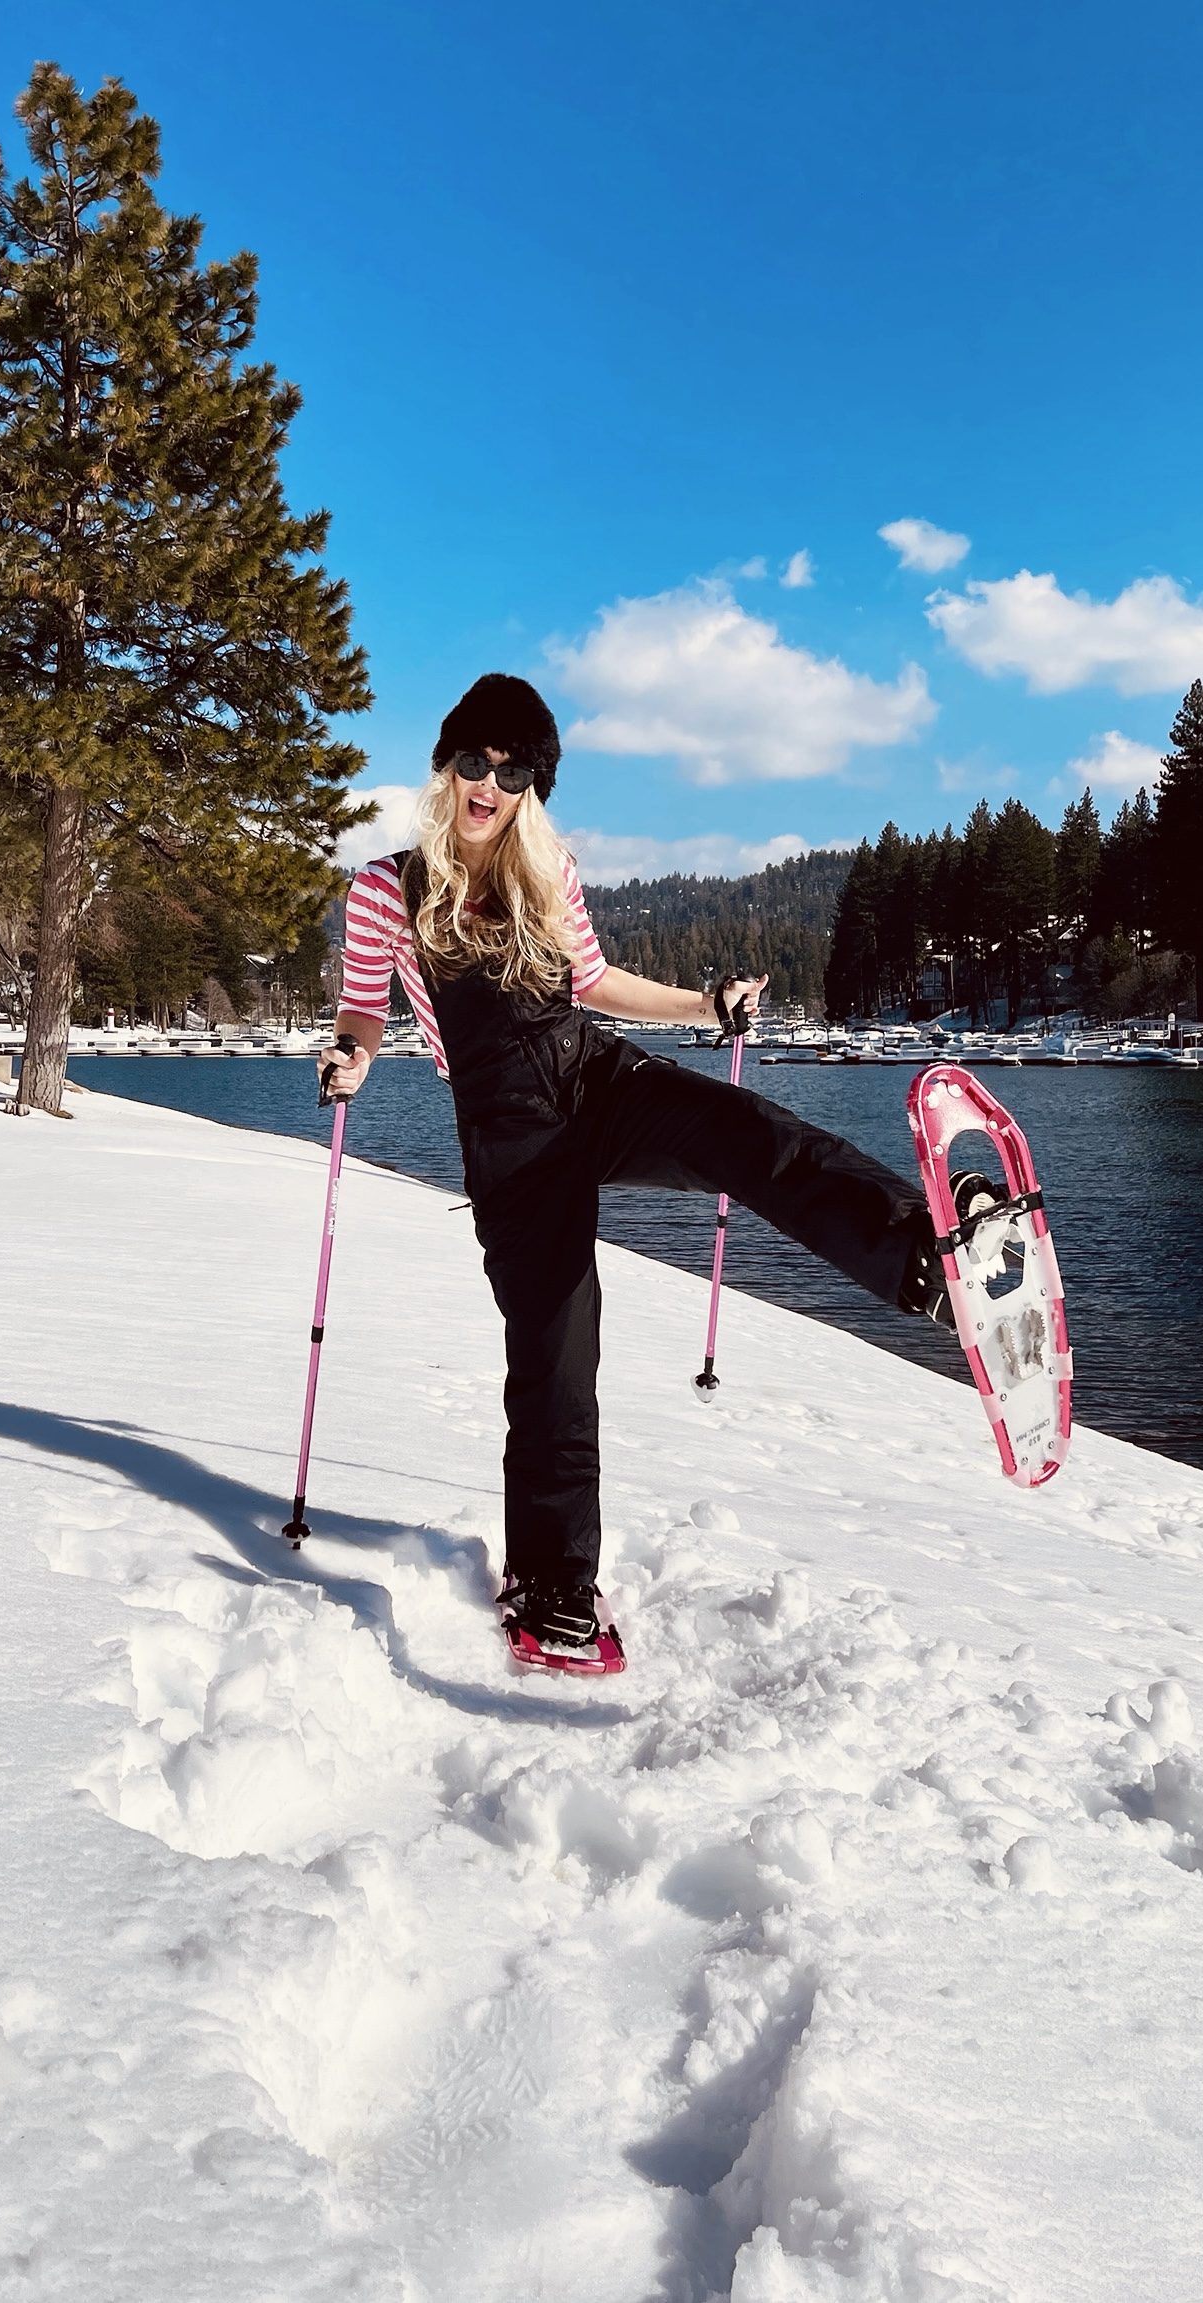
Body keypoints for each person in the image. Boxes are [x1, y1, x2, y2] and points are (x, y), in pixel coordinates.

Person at [323, 674, 980, 1667]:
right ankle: (550, 1589)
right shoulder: (388, 887)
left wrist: (704, 1005)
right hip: (510, 1138)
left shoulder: (551, 872)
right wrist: (353, 1053)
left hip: (594, 1078)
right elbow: (366, 1005)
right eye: (473, 762)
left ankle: (924, 1256)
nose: (488, 784)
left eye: (511, 770)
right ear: (444, 764)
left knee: (746, 1131)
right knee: (556, 1354)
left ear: (531, 784)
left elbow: (594, 983)